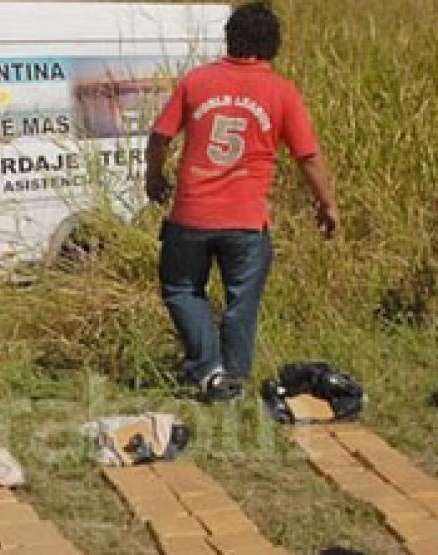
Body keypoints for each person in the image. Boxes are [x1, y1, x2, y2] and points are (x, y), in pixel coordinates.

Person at [144, 1, 338, 401]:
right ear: (273, 45)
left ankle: (207, 369)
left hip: (191, 216)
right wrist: (327, 205)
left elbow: (159, 137)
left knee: (182, 289)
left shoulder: (196, 82)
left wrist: (154, 176)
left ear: (230, 39)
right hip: (247, 223)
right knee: (241, 301)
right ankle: (232, 379)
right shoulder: (281, 92)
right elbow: (309, 157)